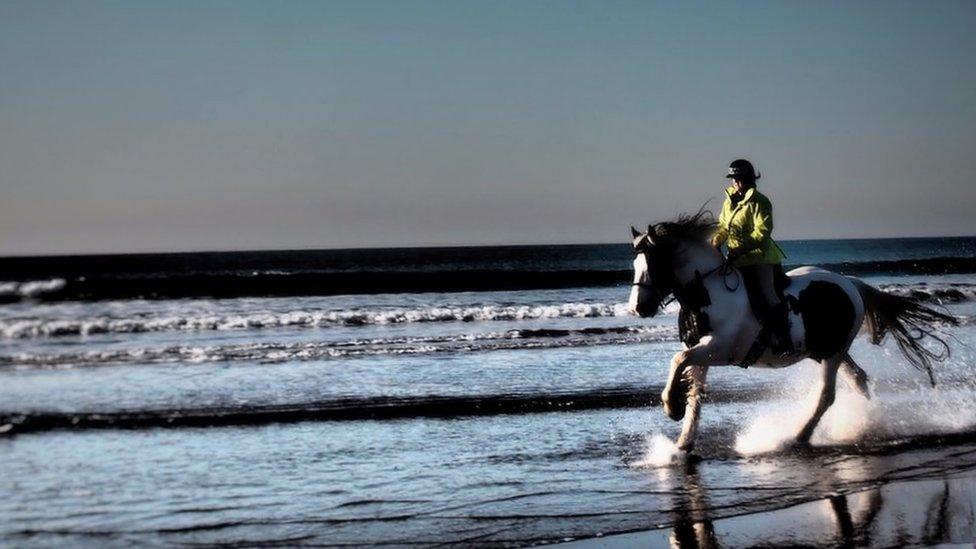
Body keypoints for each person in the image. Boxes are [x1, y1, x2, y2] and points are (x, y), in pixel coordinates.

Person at [711, 159, 793, 355]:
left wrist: (740, 248)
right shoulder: (728, 201)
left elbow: (762, 232)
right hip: (736, 258)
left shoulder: (760, 201)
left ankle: (784, 340)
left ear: (748, 179)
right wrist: (715, 242)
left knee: (767, 295)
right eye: (733, 179)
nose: (736, 182)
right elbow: (723, 226)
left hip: (760, 257)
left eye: (739, 178)